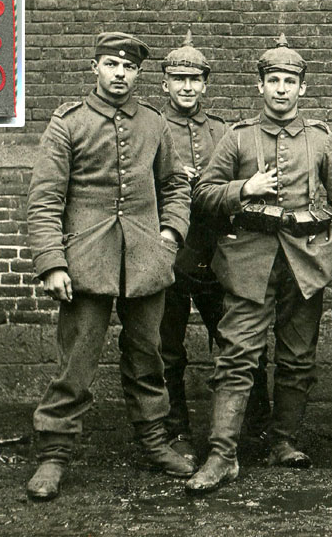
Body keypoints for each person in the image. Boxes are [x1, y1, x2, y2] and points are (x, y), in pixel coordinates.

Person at [24, 32, 195, 501]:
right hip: (86, 262)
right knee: (76, 362)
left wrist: (170, 234)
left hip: (145, 261)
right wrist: (52, 263)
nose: (120, 74)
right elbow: (45, 200)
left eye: (129, 68)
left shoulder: (154, 124)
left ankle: (155, 442)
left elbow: (175, 185)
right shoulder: (68, 123)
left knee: (148, 358)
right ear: (94, 67)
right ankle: (54, 454)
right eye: (111, 65)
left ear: (138, 74)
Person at [185, 34, 332, 494]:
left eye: (289, 81)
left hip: (305, 264)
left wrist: (331, 251)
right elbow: (203, 195)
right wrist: (244, 188)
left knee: (298, 357)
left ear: (302, 88)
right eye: (273, 80)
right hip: (248, 263)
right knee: (237, 355)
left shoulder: (321, 139)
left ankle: (284, 441)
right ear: (260, 85)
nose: (281, 89)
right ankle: (222, 455)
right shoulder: (237, 137)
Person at [157, 31, 271, 464]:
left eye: (195, 79)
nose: (187, 87)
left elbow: (239, 182)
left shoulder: (224, 130)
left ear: (205, 84)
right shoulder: (151, 127)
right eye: (178, 79)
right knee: (167, 347)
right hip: (169, 250)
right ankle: (175, 432)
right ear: (165, 83)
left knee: (238, 339)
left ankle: (254, 430)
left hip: (220, 249)